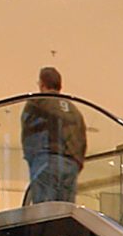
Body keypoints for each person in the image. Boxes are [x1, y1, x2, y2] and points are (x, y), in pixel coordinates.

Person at [20, 67, 86, 205]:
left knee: (45, 210)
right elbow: (82, 140)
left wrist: (32, 158)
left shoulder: (37, 102)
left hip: (46, 160)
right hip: (71, 165)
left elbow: (28, 132)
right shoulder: (74, 110)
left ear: (42, 84)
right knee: (65, 211)